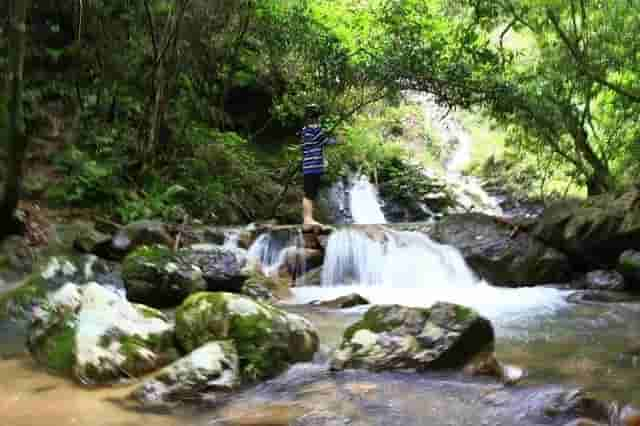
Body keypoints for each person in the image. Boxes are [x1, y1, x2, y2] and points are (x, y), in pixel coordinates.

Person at [301, 104, 337, 226]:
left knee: (311, 194)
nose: (316, 120)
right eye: (314, 118)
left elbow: (324, 141)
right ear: (309, 119)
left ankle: (310, 218)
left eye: (316, 118)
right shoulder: (312, 131)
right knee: (309, 194)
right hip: (311, 168)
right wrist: (337, 140)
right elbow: (326, 140)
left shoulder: (309, 131)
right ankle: (307, 219)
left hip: (313, 168)